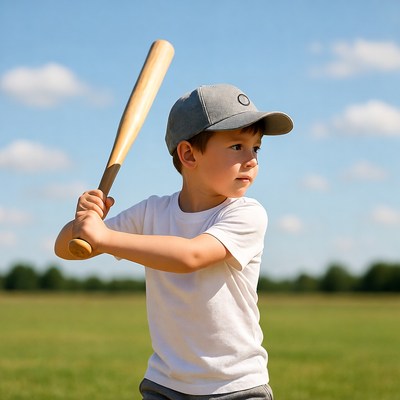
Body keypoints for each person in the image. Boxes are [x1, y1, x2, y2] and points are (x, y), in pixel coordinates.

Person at [55, 83, 293, 399]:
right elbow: (68, 250)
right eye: (237, 146)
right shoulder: (152, 211)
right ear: (188, 154)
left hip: (235, 386)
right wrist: (84, 221)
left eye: (256, 148)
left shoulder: (247, 214)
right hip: (165, 384)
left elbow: (190, 257)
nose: (251, 160)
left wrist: (105, 237)